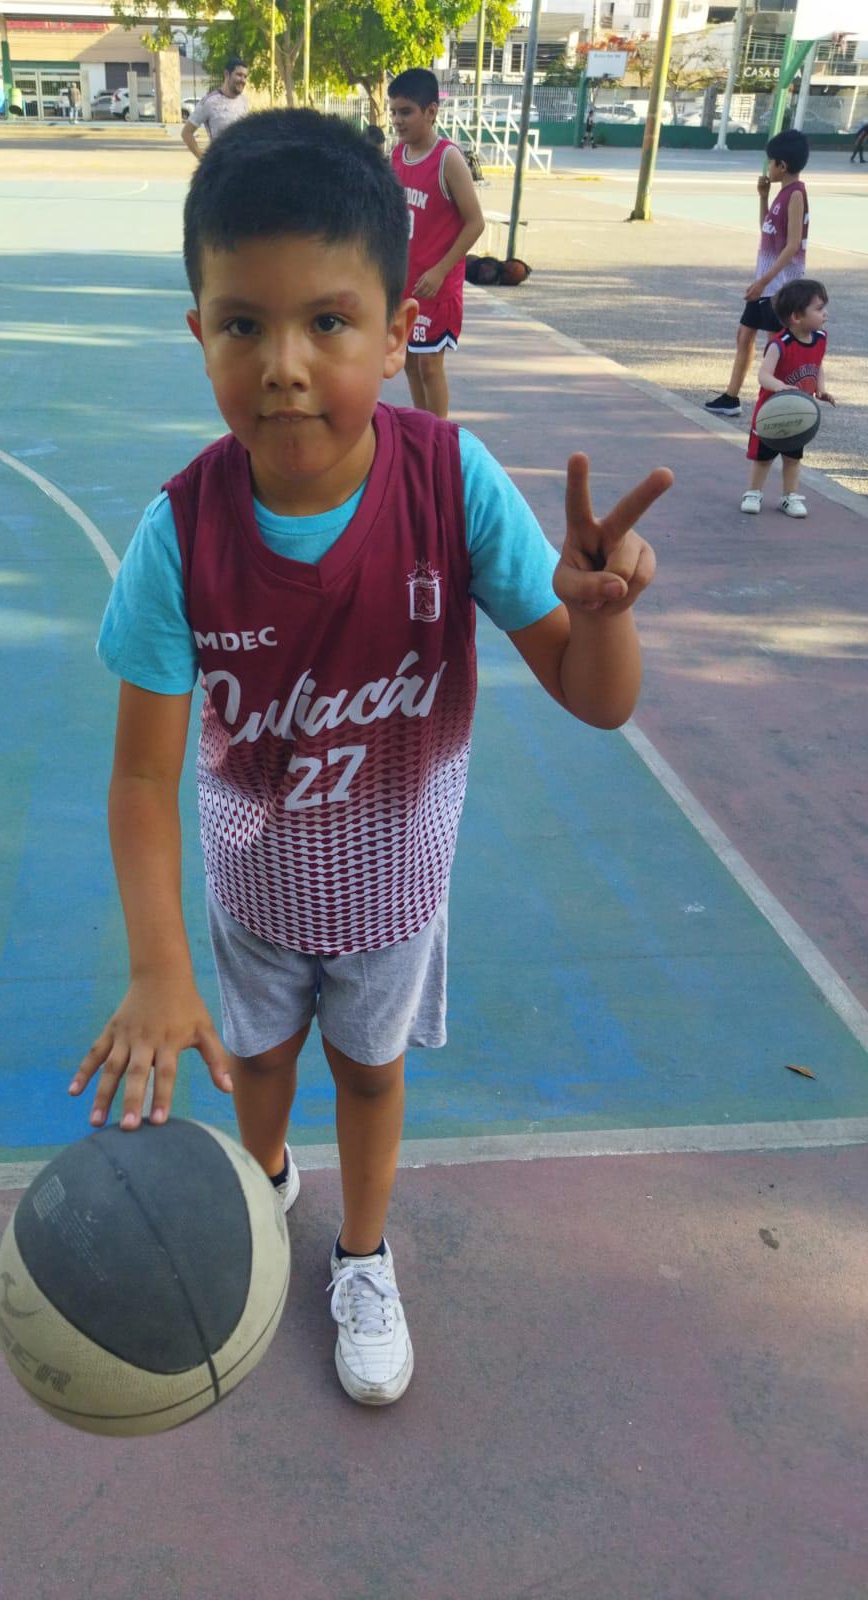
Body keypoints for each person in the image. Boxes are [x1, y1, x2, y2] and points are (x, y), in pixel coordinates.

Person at [71, 110, 672, 1408]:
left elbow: (593, 695)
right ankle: (267, 1192)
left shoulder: (453, 484)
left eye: (328, 322)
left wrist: (608, 624)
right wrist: (157, 964)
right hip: (256, 900)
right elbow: (138, 776)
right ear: (200, 337)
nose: (285, 364)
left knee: (372, 1073)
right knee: (267, 1068)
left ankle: (361, 1253)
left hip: (394, 898)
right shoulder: (180, 535)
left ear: (400, 332)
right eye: (244, 323)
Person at [388, 67, 484, 419]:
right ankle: (422, 427)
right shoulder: (397, 156)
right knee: (410, 363)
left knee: (430, 365)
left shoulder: (448, 159)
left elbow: (475, 223)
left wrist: (441, 271)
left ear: (430, 111)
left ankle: (439, 440)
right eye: (394, 111)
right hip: (406, 280)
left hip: (436, 284)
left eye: (406, 112)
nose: (398, 120)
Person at [704, 128, 810, 418]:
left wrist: (763, 282)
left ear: (782, 166)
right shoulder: (781, 193)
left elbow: (790, 246)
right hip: (765, 282)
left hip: (779, 287)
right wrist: (763, 197)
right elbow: (769, 229)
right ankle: (731, 397)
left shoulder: (796, 195)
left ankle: (781, 401)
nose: (768, 167)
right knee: (744, 334)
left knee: (776, 345)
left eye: (770, 162)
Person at [740, 277, 834, 520]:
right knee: (763, 458)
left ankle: (789, 496)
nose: (825, 313)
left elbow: (817, 365)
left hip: (798, 414)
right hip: (772, 412)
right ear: (796, 316)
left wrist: (821, 389)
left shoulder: (821, 339)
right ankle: (753, 492)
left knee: (793, 458)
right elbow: (763, 375)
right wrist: (781, 387)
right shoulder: (779, 345)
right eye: (819, 308)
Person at [182, 57, 248, 161]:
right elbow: (186, 133)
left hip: (240, 165)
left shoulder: (243, 101)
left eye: (245, 76)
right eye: (239, 75)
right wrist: (204, 161)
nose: (243, 80)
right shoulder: (209, 102)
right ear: (227, 74)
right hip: (220, 167)